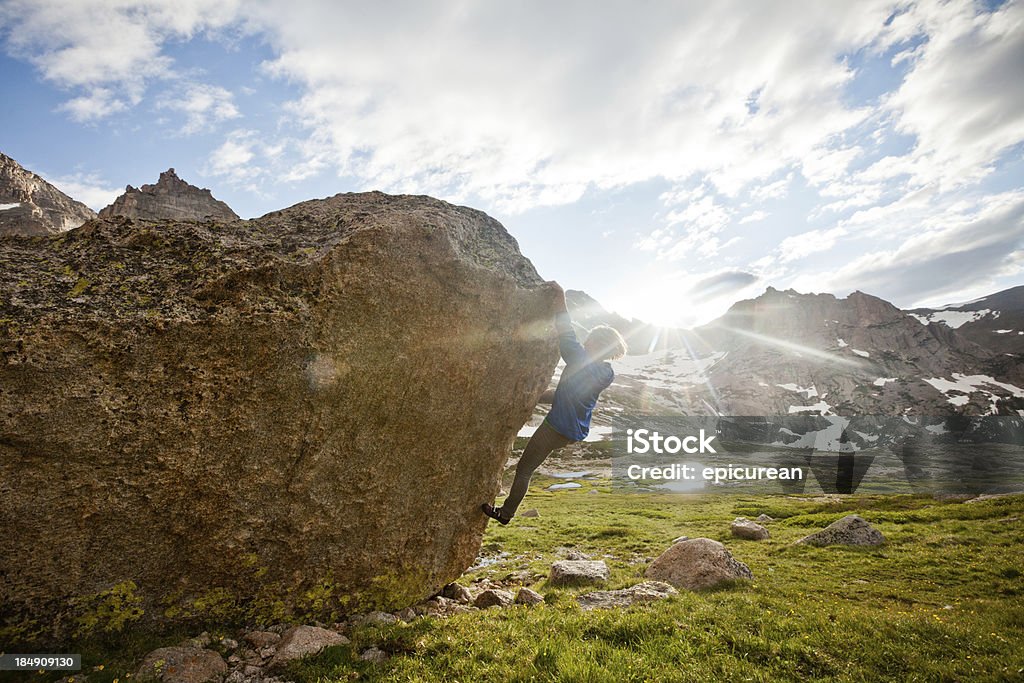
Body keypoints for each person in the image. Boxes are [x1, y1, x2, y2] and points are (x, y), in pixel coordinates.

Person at [482, 282, 628, 525]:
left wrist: (560, 300)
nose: (585, 343)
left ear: (596, 344)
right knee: (529, 467)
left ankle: (505, 515)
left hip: (557, 428)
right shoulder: (605, 371)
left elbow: (567, 333)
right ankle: (507, 512)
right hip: (573, 430)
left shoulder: (581, 360)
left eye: (589, 340)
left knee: (525, 469)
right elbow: (569, 394)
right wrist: (536, 396)